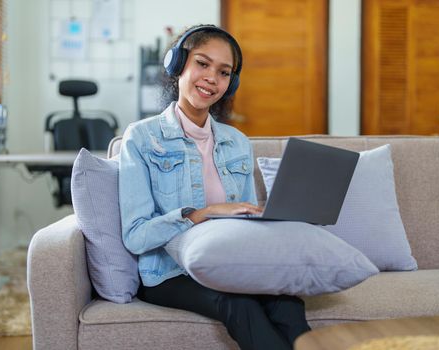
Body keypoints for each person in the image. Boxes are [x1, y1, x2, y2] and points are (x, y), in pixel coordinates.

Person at [119, 24, 311, 350]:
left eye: (224, 72)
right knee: (240, 305)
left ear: (231, 83)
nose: (212, 78)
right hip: (168, 273)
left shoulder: (237, 142)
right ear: (178, 65)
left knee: (287, 302)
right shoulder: (141, 138)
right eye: (202, 64)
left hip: (228, 263)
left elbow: (245, 223)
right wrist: (203, 214)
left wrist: (273, 221)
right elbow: (136, 236)